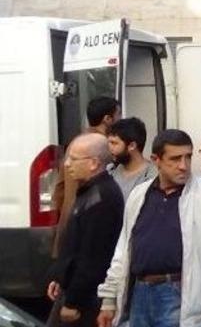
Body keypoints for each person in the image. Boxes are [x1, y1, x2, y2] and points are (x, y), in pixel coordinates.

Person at [96, 129, 201, 327]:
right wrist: (109, 299)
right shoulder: (139, 194)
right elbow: (123, 250)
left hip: (181, 293)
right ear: (156, 160)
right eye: (175, 159)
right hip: (139, 293)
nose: (184, 166)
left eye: (188, 157)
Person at [46, 134, 123, 327]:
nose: (66, 164)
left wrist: (73, 302)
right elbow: (73, 242)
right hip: (72, 289)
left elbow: (93, 257)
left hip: (87, 300)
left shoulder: (102, 198)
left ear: (93, 163)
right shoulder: (88, 191)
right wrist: (60, 276)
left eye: (73, 159)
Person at [52, 96, 121, 259]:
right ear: (107, 119)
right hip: (88, 229)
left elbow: (59, 189)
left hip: (68, 227)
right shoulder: (103, 147)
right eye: (118, 114)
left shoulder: (77, 143)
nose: (120, 119)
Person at [105, 117, 157, 201]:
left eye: (114, 143)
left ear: (132, 146)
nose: (109, 148)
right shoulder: (109, 171)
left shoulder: (152, 177)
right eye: (109, 143)